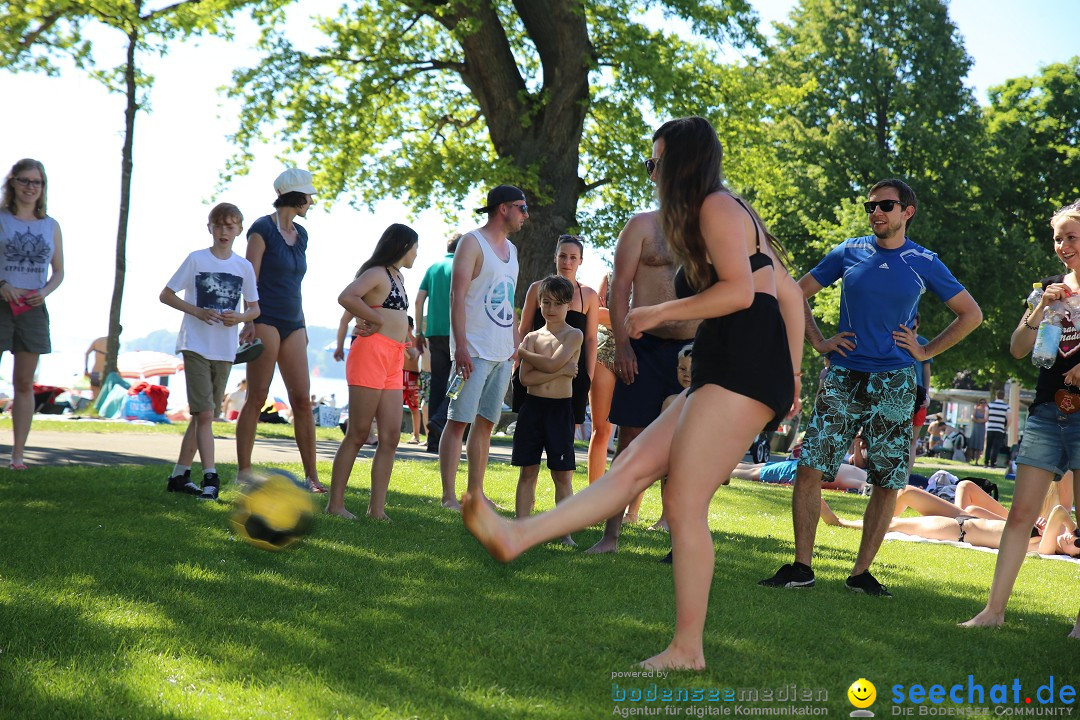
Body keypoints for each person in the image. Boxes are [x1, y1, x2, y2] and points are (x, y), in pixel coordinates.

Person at [464, 116, 805, 671]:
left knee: (684, 502)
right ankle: (517, 536)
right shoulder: (716, 216)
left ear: (682, 162)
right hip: (733, 363)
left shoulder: (719, 208)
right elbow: (788, 294)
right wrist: (791, 375)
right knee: (630, 469)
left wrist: (659, 311)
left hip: (742, 366)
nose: (651, 173)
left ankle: (687, 649)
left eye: (656, 162)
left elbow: (746, 293)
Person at [759, 178, 982, 597]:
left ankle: (861, 573)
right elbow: (795, 292)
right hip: (843, 375)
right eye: (870, 206)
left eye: (885, 205)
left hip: (896, 382)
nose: (876, 212)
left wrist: (924, 349)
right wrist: (819, 342)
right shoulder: (850, 250)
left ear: (907, 211)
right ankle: (801, 567)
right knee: (809, 469)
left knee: (887, 479)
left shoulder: (924, 261)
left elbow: (970, 314)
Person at [963, 200, 1080, 630]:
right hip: (1048, 412)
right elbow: (1017, 349)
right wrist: (1038, 310)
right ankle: (993, 612)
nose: (1062, 246)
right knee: (1019, 515)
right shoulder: (1048, 289)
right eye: (1057, 239)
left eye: (1071, 237)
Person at [589, 169, 700, 553]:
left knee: (687, 445)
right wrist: (622, 345)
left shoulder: (708, 228)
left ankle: (676, 534)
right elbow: (620, 286)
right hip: (644, 347)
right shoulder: (640, 226)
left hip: (692, 351)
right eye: (654, 168)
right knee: (630, 440)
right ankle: (610, 535)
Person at [160, 202, 259, 499]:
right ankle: (211, 478)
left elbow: (254, 308)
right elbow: (166, 294)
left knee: (202, 415)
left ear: (239, 230)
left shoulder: (244, 267)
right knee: (205, 415)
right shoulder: (196, 260)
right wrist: (198, 311)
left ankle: (178, 476)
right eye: (218, 226)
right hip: (195, 344)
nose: (224, 232)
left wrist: (240, 318)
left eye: (230, 226)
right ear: (209, 228)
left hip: (225, 349)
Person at [235, 169, 326, 493]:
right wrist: (249, 320)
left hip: (294, 322)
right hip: (265, 319)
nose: (312, 201)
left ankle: (312, 477)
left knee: (302, 400)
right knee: (257, 396)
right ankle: (244, 472)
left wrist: (302, 323)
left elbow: (295, 282)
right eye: (309, 196)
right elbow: (250, 277)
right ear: (295, 196)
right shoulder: (261, 229)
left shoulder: (301, 235)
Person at [438, 185, 525, 510]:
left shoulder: (513, 251)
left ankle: (476, 493)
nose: (525, 215)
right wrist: (459, 346)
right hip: (472, 350)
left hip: (501, 352)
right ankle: (449, 496)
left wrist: (515, 342)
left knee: (487, 423)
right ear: (503, 208)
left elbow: (508, 299)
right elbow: (456, 296)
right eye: (521, 207)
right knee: (458, 421)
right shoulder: (471, 243)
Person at [325, 223, 418, 520]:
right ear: (403, 247)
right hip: (370, 354)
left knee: (391, 436)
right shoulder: (377, 272)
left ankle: (376, 510)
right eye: (415, 247)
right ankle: (335, 505)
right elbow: (347, 297)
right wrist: (374, 319)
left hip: (394, 358)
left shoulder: (398, 276)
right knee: (359, 432)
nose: (417, 253)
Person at [0, 159, 65, 470]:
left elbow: (59, 272)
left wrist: (45, 291)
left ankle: (17, 456)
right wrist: (2, 285)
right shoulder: (1, 219)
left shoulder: (50, 226)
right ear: (13, 183)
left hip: (33, 308)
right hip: (1, 303)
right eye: (24, 181)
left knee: (24, 383)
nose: (29, 187)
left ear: (43, 188)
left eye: (36, 182)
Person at [512, 275, 583, 546]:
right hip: (533, 410)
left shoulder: (573, 334)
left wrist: (525, 355)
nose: (551, 309)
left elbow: (554, 364)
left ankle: (564, 532)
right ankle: (521, 529)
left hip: (559, 411)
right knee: (527, 471)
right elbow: (526, 380)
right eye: (546, 302)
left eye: (557, 303)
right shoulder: (531, 337)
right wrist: (558, 370)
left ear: (568, 305)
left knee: (562, 474)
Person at [513, 234, 599, 433]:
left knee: (562, 440)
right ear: (555, 257)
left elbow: (592, 339)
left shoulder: (589, 295)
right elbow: (524, 328)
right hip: (534, 370)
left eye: (573, 257)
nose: (567, 262)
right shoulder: (536, 289)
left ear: (581, 261)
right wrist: (517, 365)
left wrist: (588, 377)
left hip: (571, 374)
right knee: (529, 437)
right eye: (562, 256)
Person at [819, 497, 1079, 559]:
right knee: (907, 497)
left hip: (957, 531)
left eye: (1077, 544)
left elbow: (1058, 511)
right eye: (1079, 537)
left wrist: (1069, 525)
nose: (1073, 538)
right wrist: (1073, 531)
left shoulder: (1047, 548)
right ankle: (843, 522)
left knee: (895, 525)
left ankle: (839, 522)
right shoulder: (1048, 534)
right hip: (964, 520)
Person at [414, 233, 460, 452]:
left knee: (438, 383)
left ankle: (433, 441)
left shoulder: (433, 268)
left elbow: (419, 298)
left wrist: (418, 331)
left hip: (433, 332)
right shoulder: (461, 267)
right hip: (458, 332)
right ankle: (442, 419)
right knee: (460, 381)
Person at [587, 271, 617, 484]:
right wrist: (628, 320)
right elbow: (595, 312)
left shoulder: (657, 276)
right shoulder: (610, 276)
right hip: (605, 353)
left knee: (634, 434)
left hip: (641, 355)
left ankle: (629, 510)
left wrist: (613, 318)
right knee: (602, 429)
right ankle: (593, 497)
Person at [731, 460, 868, 493]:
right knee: (754, 468)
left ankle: (719, 470)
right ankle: (719, 466)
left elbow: (863, 487)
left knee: (754, 471)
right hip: (805, 467)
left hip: (804, 470)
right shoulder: (866, 476)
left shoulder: (863, 480)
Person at [907, 314, 931, 473]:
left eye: (914, 325)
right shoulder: (898, 340)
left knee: (912, 441)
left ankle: (906, 477)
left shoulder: (923, 343)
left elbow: (926, 371)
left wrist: (927, 395)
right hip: (901, 390)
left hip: (918, 392)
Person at [404, 316, 422, 444]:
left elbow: (413, 357)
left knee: (414, 406)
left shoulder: (414, 340)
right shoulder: (398, 337)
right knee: (391, 404)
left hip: (412, 375)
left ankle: (416, 435)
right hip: (399, 373)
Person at [983, 390, 1009, 468]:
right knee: (996, 447)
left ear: (996, 396)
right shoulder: (1006, 406)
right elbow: (1009, 419)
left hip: (990, 428)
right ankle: (993, 463)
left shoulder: (990, 405)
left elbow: (986, 418)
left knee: (988, 446)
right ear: (1003, 397)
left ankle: (986, 463)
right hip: (1000, 429)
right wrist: (1006, 427)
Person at [969, 399, 988, 464]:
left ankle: (977, 460)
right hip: (975, 428)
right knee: (972, 444)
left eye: (984, 403)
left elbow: (986, 419)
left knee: (979, 445)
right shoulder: (976, 409)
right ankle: (971, 459)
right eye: (981, 402)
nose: (983, 404)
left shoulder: (986, 411)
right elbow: (972, 417)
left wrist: (979, 420)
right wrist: (978, 420)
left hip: (982, 429)